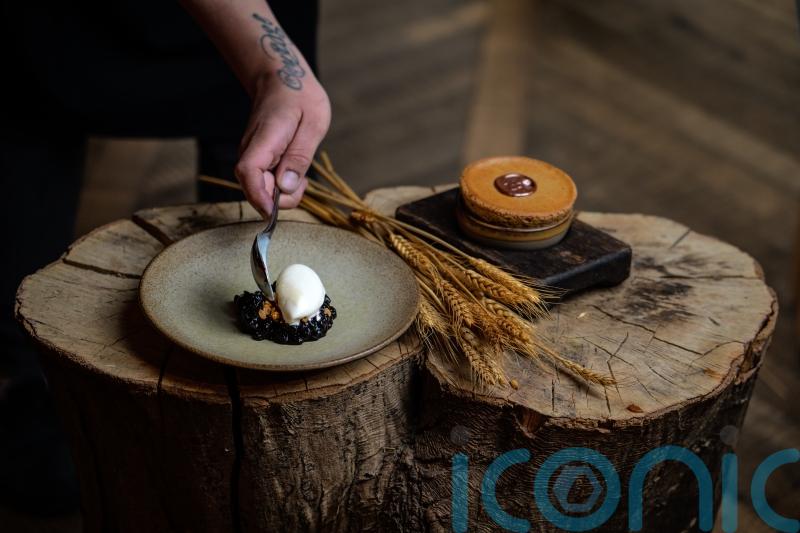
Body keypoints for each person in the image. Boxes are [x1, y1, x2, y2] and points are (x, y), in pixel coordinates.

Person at [1, 0, 328, 515]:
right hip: (64, 39)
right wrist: (269, 63)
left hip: (251, 46)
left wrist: (270, 71)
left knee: (253, 170)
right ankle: (31, 390)